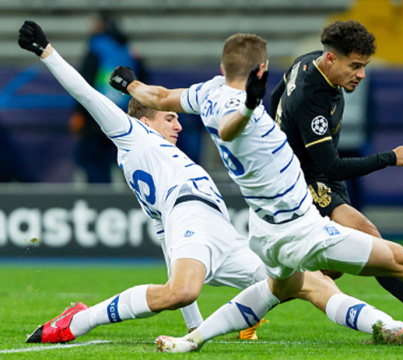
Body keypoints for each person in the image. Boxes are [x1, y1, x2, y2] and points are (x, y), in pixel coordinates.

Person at [111, 31, 403, 353]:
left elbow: (162, 94)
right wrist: (249, 106)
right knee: (399, 258)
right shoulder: (248, 112)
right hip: (299, 224)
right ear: (261, 69)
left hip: (264, 230)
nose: (359, 74)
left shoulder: (206, 92)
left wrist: (130, 85)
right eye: (355, 66)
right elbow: (231, 128)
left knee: (279, 290)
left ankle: (192, 340)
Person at [18, 20, 268, 344]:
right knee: (183, 289)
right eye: (170, 117)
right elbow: (87, 94)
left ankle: (244, 316)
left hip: (217, 229)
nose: (178, 125)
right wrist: (46, 51)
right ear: (145, 120)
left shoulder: (162, 161)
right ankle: (81, 320)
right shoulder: (134, 134)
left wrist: (195, 327)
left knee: (283, 280)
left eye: (177, 117)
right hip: (195, 216)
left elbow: (169, 248)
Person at [269, 20, 403, 322]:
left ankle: (266, 293)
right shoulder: (311, 100)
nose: (361, 75)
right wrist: (389, 158)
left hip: (320, 174)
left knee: (330, 268)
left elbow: (275, 98)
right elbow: (333, 166)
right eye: (354, 66)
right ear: (331, 59)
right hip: (304, 180)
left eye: (364, 66)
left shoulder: (305, 62)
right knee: (370, 238)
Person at [68, 11, 146, 183]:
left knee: (92, 162)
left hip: (96, 116)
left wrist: (78, 113)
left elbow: (84, 82)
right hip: (125, 115)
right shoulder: (129, 49)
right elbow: (144, 83)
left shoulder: (96, 46)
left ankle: (99, 201)